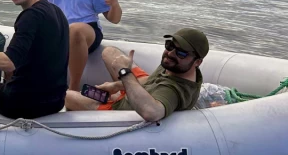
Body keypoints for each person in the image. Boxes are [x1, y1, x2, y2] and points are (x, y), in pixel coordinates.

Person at [64, 28, 208, 121]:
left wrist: (125, 73)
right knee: (110, 52)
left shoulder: (173, 91)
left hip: (118, 109)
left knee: (67, 96)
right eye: (170, 45)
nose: (170, 53)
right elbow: (150, 81)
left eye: (181, 52)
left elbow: (152, 112)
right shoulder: (178, 66)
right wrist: (116, 86)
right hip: (138, 90)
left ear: (197, 62)